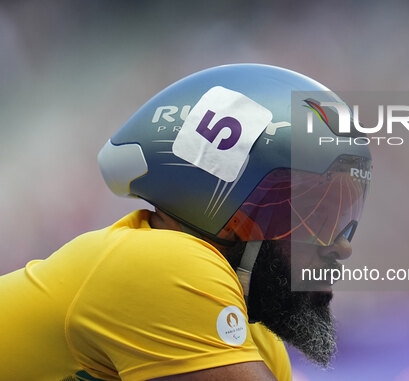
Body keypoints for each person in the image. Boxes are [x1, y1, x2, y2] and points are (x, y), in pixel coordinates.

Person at [0, 64, 372, 380]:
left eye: (345, 218)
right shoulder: (165, 265)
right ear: (233, 217)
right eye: (314, 216)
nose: (343, 246)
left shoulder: (253, 337)